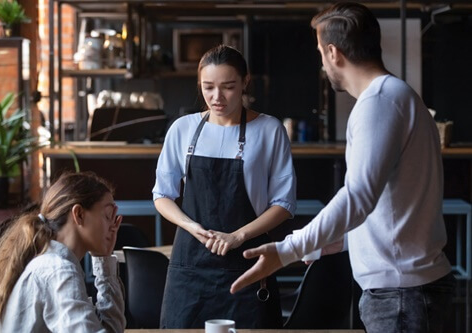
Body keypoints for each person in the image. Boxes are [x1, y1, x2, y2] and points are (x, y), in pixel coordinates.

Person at [230, 3, 455, 332]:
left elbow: (358, 197)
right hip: (407, 291)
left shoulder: (378, 102)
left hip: (402, 297)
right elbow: (388, 206)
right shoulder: (397, 96)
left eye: (320, 52)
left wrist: (288, 250)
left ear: (333, 52)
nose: (321, 63)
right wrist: (331, 242)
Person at [152, 44, 296, 328]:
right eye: (208, 87)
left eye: (228, 87)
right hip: (190, 268)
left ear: (245, 82)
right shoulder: (182, 129)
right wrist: (192, 227)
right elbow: (162, 194)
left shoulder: (269, 130)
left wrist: (237, 236)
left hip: (248, 263)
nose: (216, 97)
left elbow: (284, 204)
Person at [0, 172, 126, 333]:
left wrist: (104, 260)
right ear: (79, 214)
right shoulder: (58, 270)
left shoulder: (53, 263)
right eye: (108, 216)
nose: (113, 226)